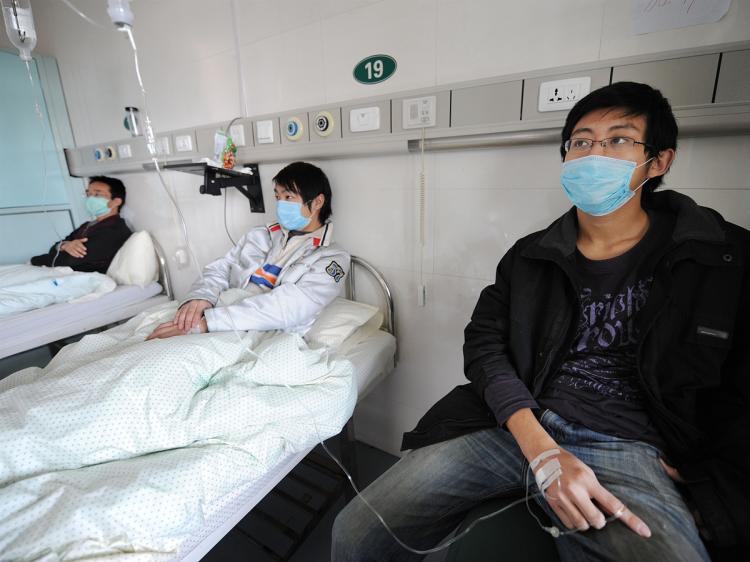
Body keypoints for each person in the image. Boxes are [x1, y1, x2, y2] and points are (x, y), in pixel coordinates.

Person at [332, 82, 750, 562]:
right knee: (356, 530)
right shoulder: (532, 256)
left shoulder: (721, 260)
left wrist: (717, 488)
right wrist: (540, 448)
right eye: (581, 141)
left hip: (631, 448)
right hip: (518, 426)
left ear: (658, 162)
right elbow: (484, 343)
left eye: (617, 139)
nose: (594, 152)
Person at [147, 161, 349, 340]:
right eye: (278, 197)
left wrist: (208, 324)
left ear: (317, 202)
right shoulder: (262, 234)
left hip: (259, 332)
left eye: (288, 196)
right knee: (145, 336)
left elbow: (288, 308)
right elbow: (221, 268)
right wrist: (200, 297)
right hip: (218, 309)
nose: (280, 204)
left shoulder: (332, 258)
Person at [30, 176, 131, 273]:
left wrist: (34, 260)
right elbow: (54, 248)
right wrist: (65, 245)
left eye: (97, 194)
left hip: (86, 277)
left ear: (116, 202)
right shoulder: (88, 225)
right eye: (88, 194)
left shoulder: (114, 231)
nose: (90, 199)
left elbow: (69, 260)